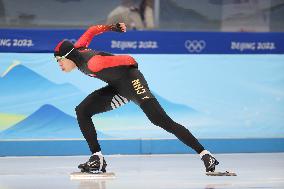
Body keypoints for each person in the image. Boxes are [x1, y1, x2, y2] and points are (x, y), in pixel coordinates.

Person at [54, 23, 219, 173]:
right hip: (117, 88)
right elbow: (91, 31)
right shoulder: (79, 48)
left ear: (69, 56)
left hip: (133, 82)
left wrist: (133, 66)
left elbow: (128, 59)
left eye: (59, 60)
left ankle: (205, 154)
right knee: (82, 110)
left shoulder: (94, 63)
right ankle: (97, 158)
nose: (59, 65)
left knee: (161, 120)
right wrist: (112, 27)